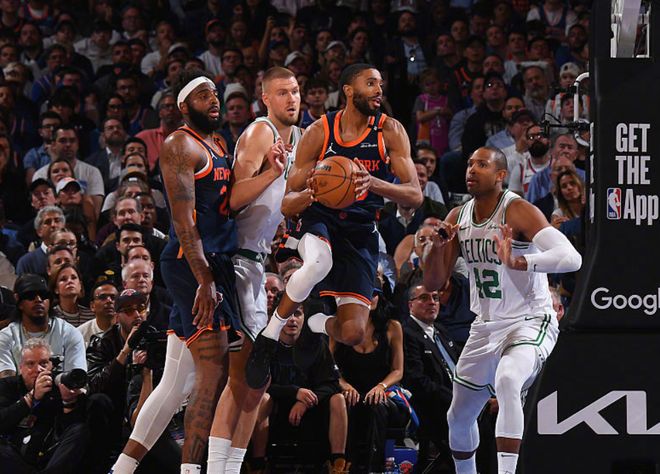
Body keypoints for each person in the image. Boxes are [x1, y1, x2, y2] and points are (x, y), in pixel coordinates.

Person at [247, 63, 423, 390]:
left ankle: (315, 321)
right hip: (321, 219)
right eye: (370, 83)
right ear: (348, 90)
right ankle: (269, 336)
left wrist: (373, 183)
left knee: (353, 333)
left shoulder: (389, 131)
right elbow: (287, 202)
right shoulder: (320, 131)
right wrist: (313, 192)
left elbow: (415, 195)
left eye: (380, 84)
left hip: (360, 230)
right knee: (319, 261)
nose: (379, 90)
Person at [423, 147, 582, 474]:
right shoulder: (457, 217)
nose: (471, 169)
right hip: (485, 326)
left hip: (528, 320)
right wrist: (435, 249)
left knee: (508, 378)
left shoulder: (518, 210)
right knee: (458, 416)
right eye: (470, 164)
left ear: (500, 175)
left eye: (481, 164)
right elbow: (433, 283)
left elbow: (571, 258)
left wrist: (520, 261)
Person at [112, 69, 238, 474]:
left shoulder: (218, 143)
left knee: (174, 383)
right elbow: (183, 221)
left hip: (211, 261)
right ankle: (191, 471)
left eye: (215, 93)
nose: (213, 100)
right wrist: (205, 280)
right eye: (203, 95)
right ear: (184, 106)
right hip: (191, 263)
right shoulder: (179, 145)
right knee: (212, 369)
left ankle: (121, 469)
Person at [207, 66, 302, 473]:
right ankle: (217, 468)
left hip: (256, 260)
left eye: (295, 91)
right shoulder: (260, 133)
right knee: (243, 378)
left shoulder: (299, 139)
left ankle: (227, 467)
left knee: (255, 382)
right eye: (282, 92)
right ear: (265, 98)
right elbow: (233, 200)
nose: (291, 99)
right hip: (235, 260)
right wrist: (271, 174)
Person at [252, 302, 349, 474]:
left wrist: (305, 402)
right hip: (276, 407)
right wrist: (294, 392)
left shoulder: (315, 342)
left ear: (304, 318)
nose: (292, 320)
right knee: (263, 399)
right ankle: (257, 465)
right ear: (276, 316)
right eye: (287, 314)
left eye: (297, 314)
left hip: (311, 408)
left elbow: (332, 383)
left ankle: (338, 464)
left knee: (338, 399)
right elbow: (256, 384)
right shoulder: (266, 340)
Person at [0, 338, 112, 474]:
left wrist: (68, 402)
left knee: (80, 430)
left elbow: (66, 432)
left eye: (43, 363)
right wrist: (31, 397)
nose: (38, 369)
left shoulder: (59, 384)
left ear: (51, 365)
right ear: (21, 367)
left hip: (49, 454)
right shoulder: (7, 386)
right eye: (30, 364)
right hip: (16, 455)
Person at [331, 283, 407, 473]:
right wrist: (344, 385)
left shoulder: (392, 327)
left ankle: (373, 468)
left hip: (383, 392)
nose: (369, 298)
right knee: (344, 401)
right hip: (349, 391)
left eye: (374, 293)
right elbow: (329, 368)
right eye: (364, 293)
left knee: (377, 403)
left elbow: (398, 371)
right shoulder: (337, 325)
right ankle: (344, 466)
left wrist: (381, 386)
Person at [402, 284, 458, 471]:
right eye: (424, 298)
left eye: (435, 298)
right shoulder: (406, 333)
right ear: (410, 305)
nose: (432, 302)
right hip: (432, 405)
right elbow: (416, 381)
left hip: (457, 400)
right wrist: (456, 399)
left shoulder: (441, 331)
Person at [0, 274, 87, 378]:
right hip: (19, 389)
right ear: (18, 300)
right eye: (31, 296)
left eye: (43, 295)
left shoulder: (69, 333)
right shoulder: (6, 337)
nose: (38, 299)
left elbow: (76, 378)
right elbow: (6, 381)